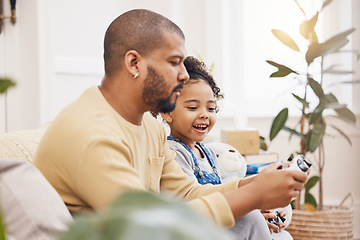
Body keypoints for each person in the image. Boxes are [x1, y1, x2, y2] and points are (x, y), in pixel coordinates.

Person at [33, 9, 307, 232]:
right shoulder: (90, 134)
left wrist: (252, 184)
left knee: (248, 219)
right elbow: (146, 226)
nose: (185, 75)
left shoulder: (150, 126)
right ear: (134, 64)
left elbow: (185, 193)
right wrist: (254, 196)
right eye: (174, 62)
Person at [159, 56, 292, 240]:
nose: (204, 115)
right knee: (252, 219)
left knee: (280, 214)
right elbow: (193, 204)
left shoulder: (209, 153)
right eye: (192, 107)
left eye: (211, 108)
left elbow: (226, 198)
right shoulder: (174, 151)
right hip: (196, 229)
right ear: (167, 112)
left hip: (218, 222)